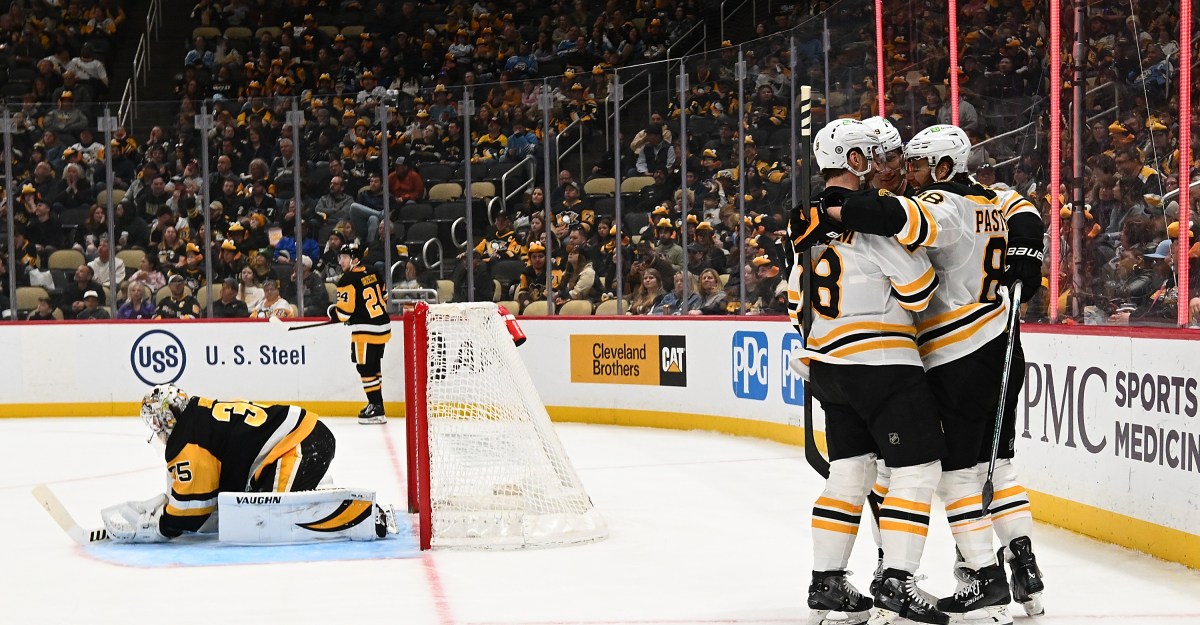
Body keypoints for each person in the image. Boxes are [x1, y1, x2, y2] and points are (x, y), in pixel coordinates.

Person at [812, 123, 1045, 619]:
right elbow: (1023, 206)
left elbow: (895, 220)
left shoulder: (945, 204)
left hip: (954, 355)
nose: (910, 173)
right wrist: (1029, 243)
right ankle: (1022, 561)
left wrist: (828, 206)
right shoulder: (994, 200)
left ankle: (979, 578)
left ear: (943, 167)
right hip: (1003, 346)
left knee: (950, 476)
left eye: (917, 164)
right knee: (996, 466)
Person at [788, 119, 948, 625]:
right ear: (854, 161)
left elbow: (796, 299)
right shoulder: (870, 225)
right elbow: (921, 290)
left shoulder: (805, 230)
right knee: (916, 470)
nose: (875, 162)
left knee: (849, 473)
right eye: (867, 155)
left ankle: (827, 582)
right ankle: (898, 580)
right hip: (882, 365)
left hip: (828, 367)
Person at [103, 384, 385, 543]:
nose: (157, 428)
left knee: (267, 518)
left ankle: (364, 516)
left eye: (155, 421)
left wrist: (160, 526)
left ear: (167, 417)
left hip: (301, 445)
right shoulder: (197, 414)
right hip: (303, 438)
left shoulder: (188, 441)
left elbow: (194, 511)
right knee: (251, 507)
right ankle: (316, 487)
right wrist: (166, 503)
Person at [328, 243, 392, 424]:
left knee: (365, 368)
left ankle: (376, 407)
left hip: (365, 331)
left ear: (355, 260)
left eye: (345, 258)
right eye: (341, 257)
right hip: (382, 326)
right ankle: (377, 404)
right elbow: (384, 296)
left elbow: (343, 314)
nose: (341, 261)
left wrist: (333, 314)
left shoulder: (346, 280)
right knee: (374, 365)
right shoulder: (372, 271)